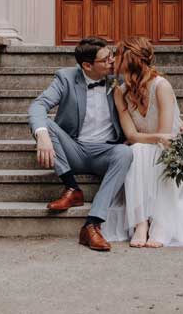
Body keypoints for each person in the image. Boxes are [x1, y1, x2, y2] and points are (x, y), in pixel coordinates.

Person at [28, 36, 133, 252]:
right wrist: (42, 135)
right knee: (45, 124)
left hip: (106, 150)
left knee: (124, 153)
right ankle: (72, 188)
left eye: (111, 56)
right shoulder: (65, 78)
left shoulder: (118, 79)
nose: (112, 62)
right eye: (105, 60)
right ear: (87, 65)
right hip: (73, 149)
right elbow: (39, 105)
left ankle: (92, 224)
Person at [104, 36, 183, 248]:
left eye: (117, 55)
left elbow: (166, 135)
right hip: (146, 145)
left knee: (145, 150)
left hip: (169, 150)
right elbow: (131, 134)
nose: (113, 60)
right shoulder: (120, 92)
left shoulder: (161, 86)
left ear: (130, 59)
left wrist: (151, 139)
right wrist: (149, 140)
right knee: (136, 151)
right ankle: (140, 223)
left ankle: (160, 222)